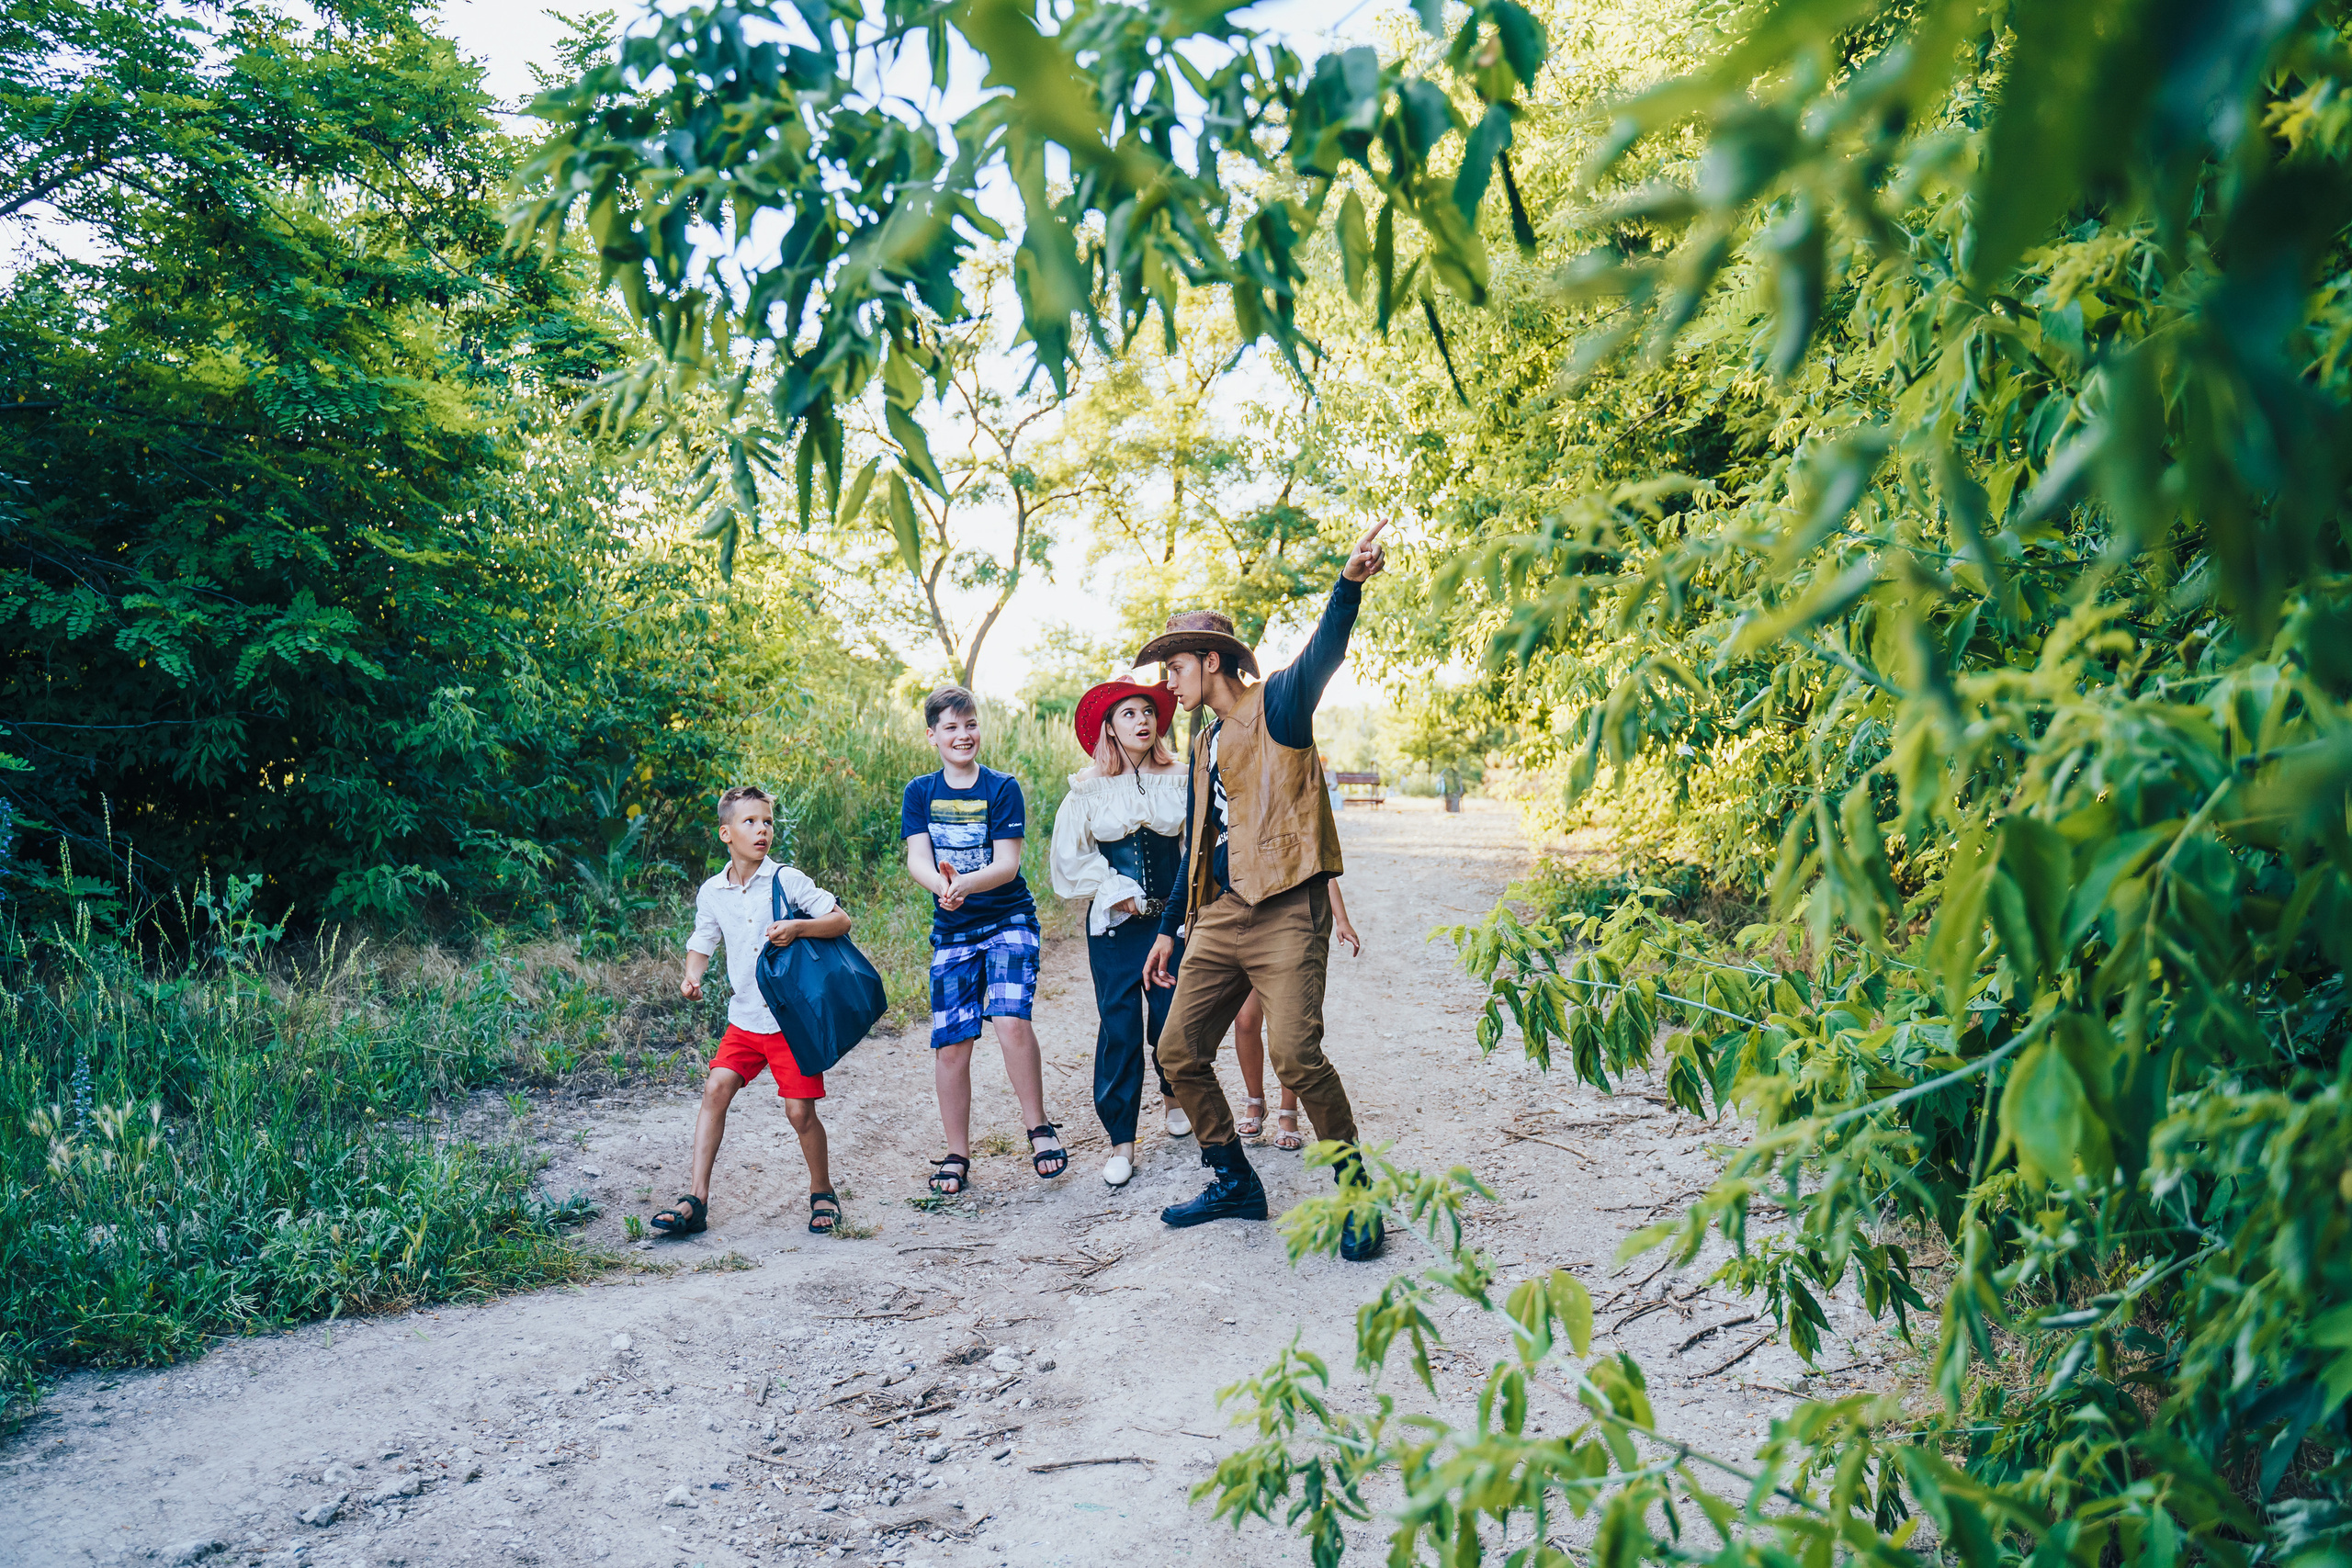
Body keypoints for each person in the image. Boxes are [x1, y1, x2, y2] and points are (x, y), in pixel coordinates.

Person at [1139, 519, 1392, 1260]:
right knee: (1178, 1048)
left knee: (1294, 1054)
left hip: (1286, 906)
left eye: (1176, 667)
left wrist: (1347, 586)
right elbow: (1199, 836)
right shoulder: (1202, 738)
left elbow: (1324, 653)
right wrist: (1168, 924)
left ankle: (1355, 1192)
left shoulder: (1278, 704)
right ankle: (1233, 1181)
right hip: (1219, 912)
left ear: (1211, 660)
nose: (1167, 682)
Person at [663, 785, 854, 1237]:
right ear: (725, 833)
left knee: (799, 1114)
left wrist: (800, 927)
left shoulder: (787, 879)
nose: (762, 830)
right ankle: (696, 1198)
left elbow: (840, 920)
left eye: (767, 821)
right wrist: (693, 976)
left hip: (791, 1022)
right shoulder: (712, 892)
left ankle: (822, 1190)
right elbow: (702, 941)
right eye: (750, 822)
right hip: (745, 1019)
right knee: (715, 1089)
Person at [901, 685, 1067, 1197]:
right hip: (953, 927)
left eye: (969, 724)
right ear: (933, 736)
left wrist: (963, 884)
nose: (962, 735)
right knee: (952, 1043)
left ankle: (1038, 1128)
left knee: (1012, 1019)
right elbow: (918, 859)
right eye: (950, 727)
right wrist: (941, 887)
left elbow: (1007, 864)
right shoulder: (920, 793)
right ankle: (957, 1153)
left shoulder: (1001, 788)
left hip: (1008, 917)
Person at [1048, 679, 1193, 1188]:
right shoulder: (1088, 787)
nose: (1142, 720)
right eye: (1129, 713)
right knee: (1121, 1027)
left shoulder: (1180, 778)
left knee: (1171, 1019)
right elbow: (1069, 858)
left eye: (1148, 712)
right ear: (1110, 727)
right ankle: (1122, 1142)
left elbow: (1192, 850)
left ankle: (1174, 1095)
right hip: (1114, 927)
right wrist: (1112, 887)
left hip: (1169, 924)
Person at [1232, 880, 1361, 1150]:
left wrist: (1342, 920)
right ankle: (1255, 1102)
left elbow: (1326, 874)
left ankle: (1288, 1114)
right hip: (1248, 928)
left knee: (1290, 1030)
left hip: (1290, 932)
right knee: (1244, 1021)